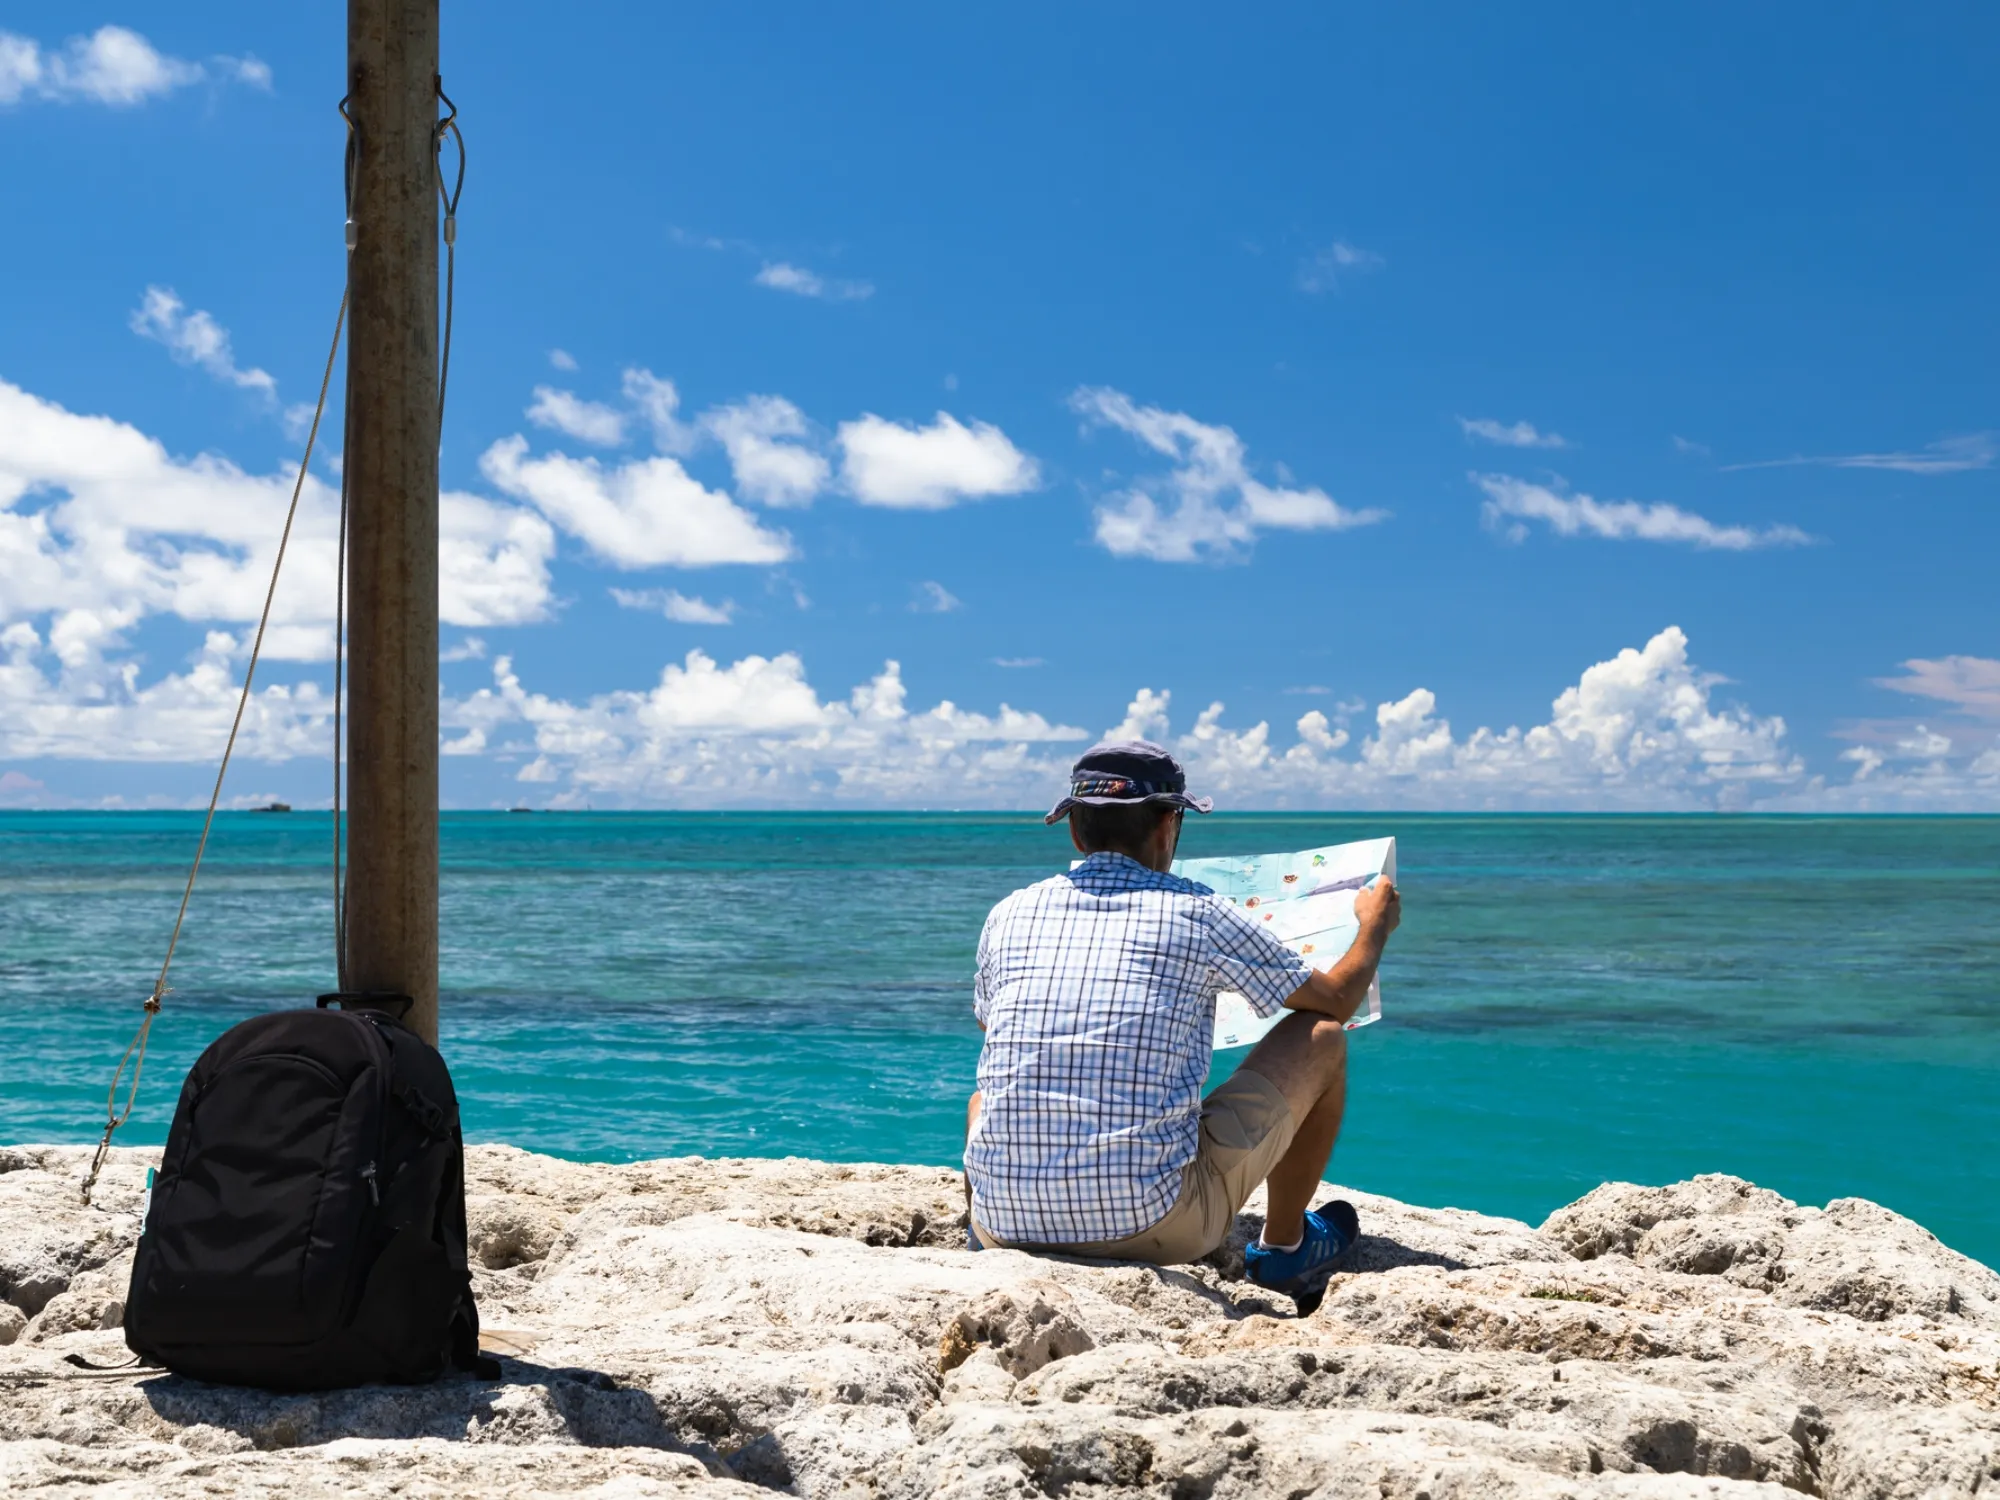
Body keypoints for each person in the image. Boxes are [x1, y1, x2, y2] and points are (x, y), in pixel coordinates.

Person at [964, 740, 1400, 1312]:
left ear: (1075, 832)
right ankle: (1286, 1248)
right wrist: (1374, 927)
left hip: (1003, 1224)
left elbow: (994, 1028)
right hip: (1151, 1224)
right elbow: (1338, 999)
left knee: (984, 1098)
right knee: (1319, 1036)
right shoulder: (1198, 911)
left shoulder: (1009, 913)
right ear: (1169, 824)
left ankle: (984, 1231)